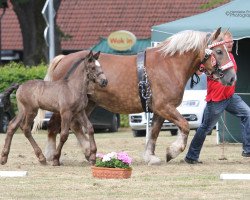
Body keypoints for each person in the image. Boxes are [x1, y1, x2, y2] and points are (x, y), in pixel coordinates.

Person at [184, 31, 250, 164]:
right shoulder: (212, 57)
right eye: (228, 41)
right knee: (205, 128)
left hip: (230, 97)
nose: (231, 43)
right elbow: (198, 71)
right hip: (216, 100)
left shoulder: (229, 56)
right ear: (221, 44)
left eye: (232, 41)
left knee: (248, 114)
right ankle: (191, 156)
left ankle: (247, 149)